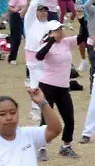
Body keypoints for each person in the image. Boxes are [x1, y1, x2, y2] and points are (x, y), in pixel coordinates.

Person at [34, 20, 80, 157]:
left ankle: (66, 146)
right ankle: (41, 147)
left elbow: (83, 37)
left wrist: (83, 20)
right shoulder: (45, 44)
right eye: (57, 30)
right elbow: (39, 56)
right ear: (50, 33)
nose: (60, 32)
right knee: (46, 119)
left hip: (63, 87)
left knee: (69, 117)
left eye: (61, 29)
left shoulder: (67, 42)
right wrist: (51, 41)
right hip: (47, 85)